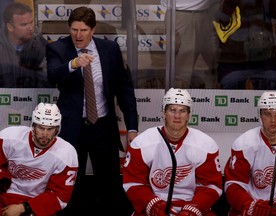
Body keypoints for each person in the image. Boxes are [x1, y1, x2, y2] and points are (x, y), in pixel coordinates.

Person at [46, 6, 138, 215]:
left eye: (83, 30)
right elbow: (52, 76)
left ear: (93, 30)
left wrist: (132, 127)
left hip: (103, 127)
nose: (78, 35)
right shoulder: (58, 49)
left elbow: (124, 89)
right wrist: (74, 63)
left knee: (110, 184)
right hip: (72, 129)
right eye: (74, 30)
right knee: (71, 185)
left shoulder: (109, 50)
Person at [123, 88, 223, 215]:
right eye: (172, 110)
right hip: (155, 205)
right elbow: (133, 182)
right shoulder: (143, 143)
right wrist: (151, 203)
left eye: (183, 111)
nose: (177, 116)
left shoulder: (205, 145)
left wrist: (195, 207)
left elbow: (211, 186)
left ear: (189, 115)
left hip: (190, 205)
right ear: (163, 113)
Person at [0, 102, 78, 216]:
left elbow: (60, 197)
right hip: (4, 196)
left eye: (50, 129)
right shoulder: (9, 137)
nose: (45, 134)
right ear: (33, 126)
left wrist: (24, 208)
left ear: (57, 129)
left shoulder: (67, 154)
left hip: (36, 204)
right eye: (41, 128)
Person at [224, 91, 276, 215]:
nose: (273, 120)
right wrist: (252, 206)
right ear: (259, 115)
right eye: (267, 114)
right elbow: (233, 186)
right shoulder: (245, 144)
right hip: (251, 208)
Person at [216, 0, 276, 89]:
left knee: (270, 93)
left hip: (264, 56)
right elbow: (222, 18)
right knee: (231, 93)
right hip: (234, 57)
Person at [160, 0, 219, 89]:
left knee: (219, 64)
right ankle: (177, 101)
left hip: (208, 13)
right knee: (182, 71)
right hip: (183, 13)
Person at [0, 2, 52, 88]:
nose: (30, 28)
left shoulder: (42, 46)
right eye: (24, 24)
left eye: (31, 22)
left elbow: (48, 80)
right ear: (10, 27)